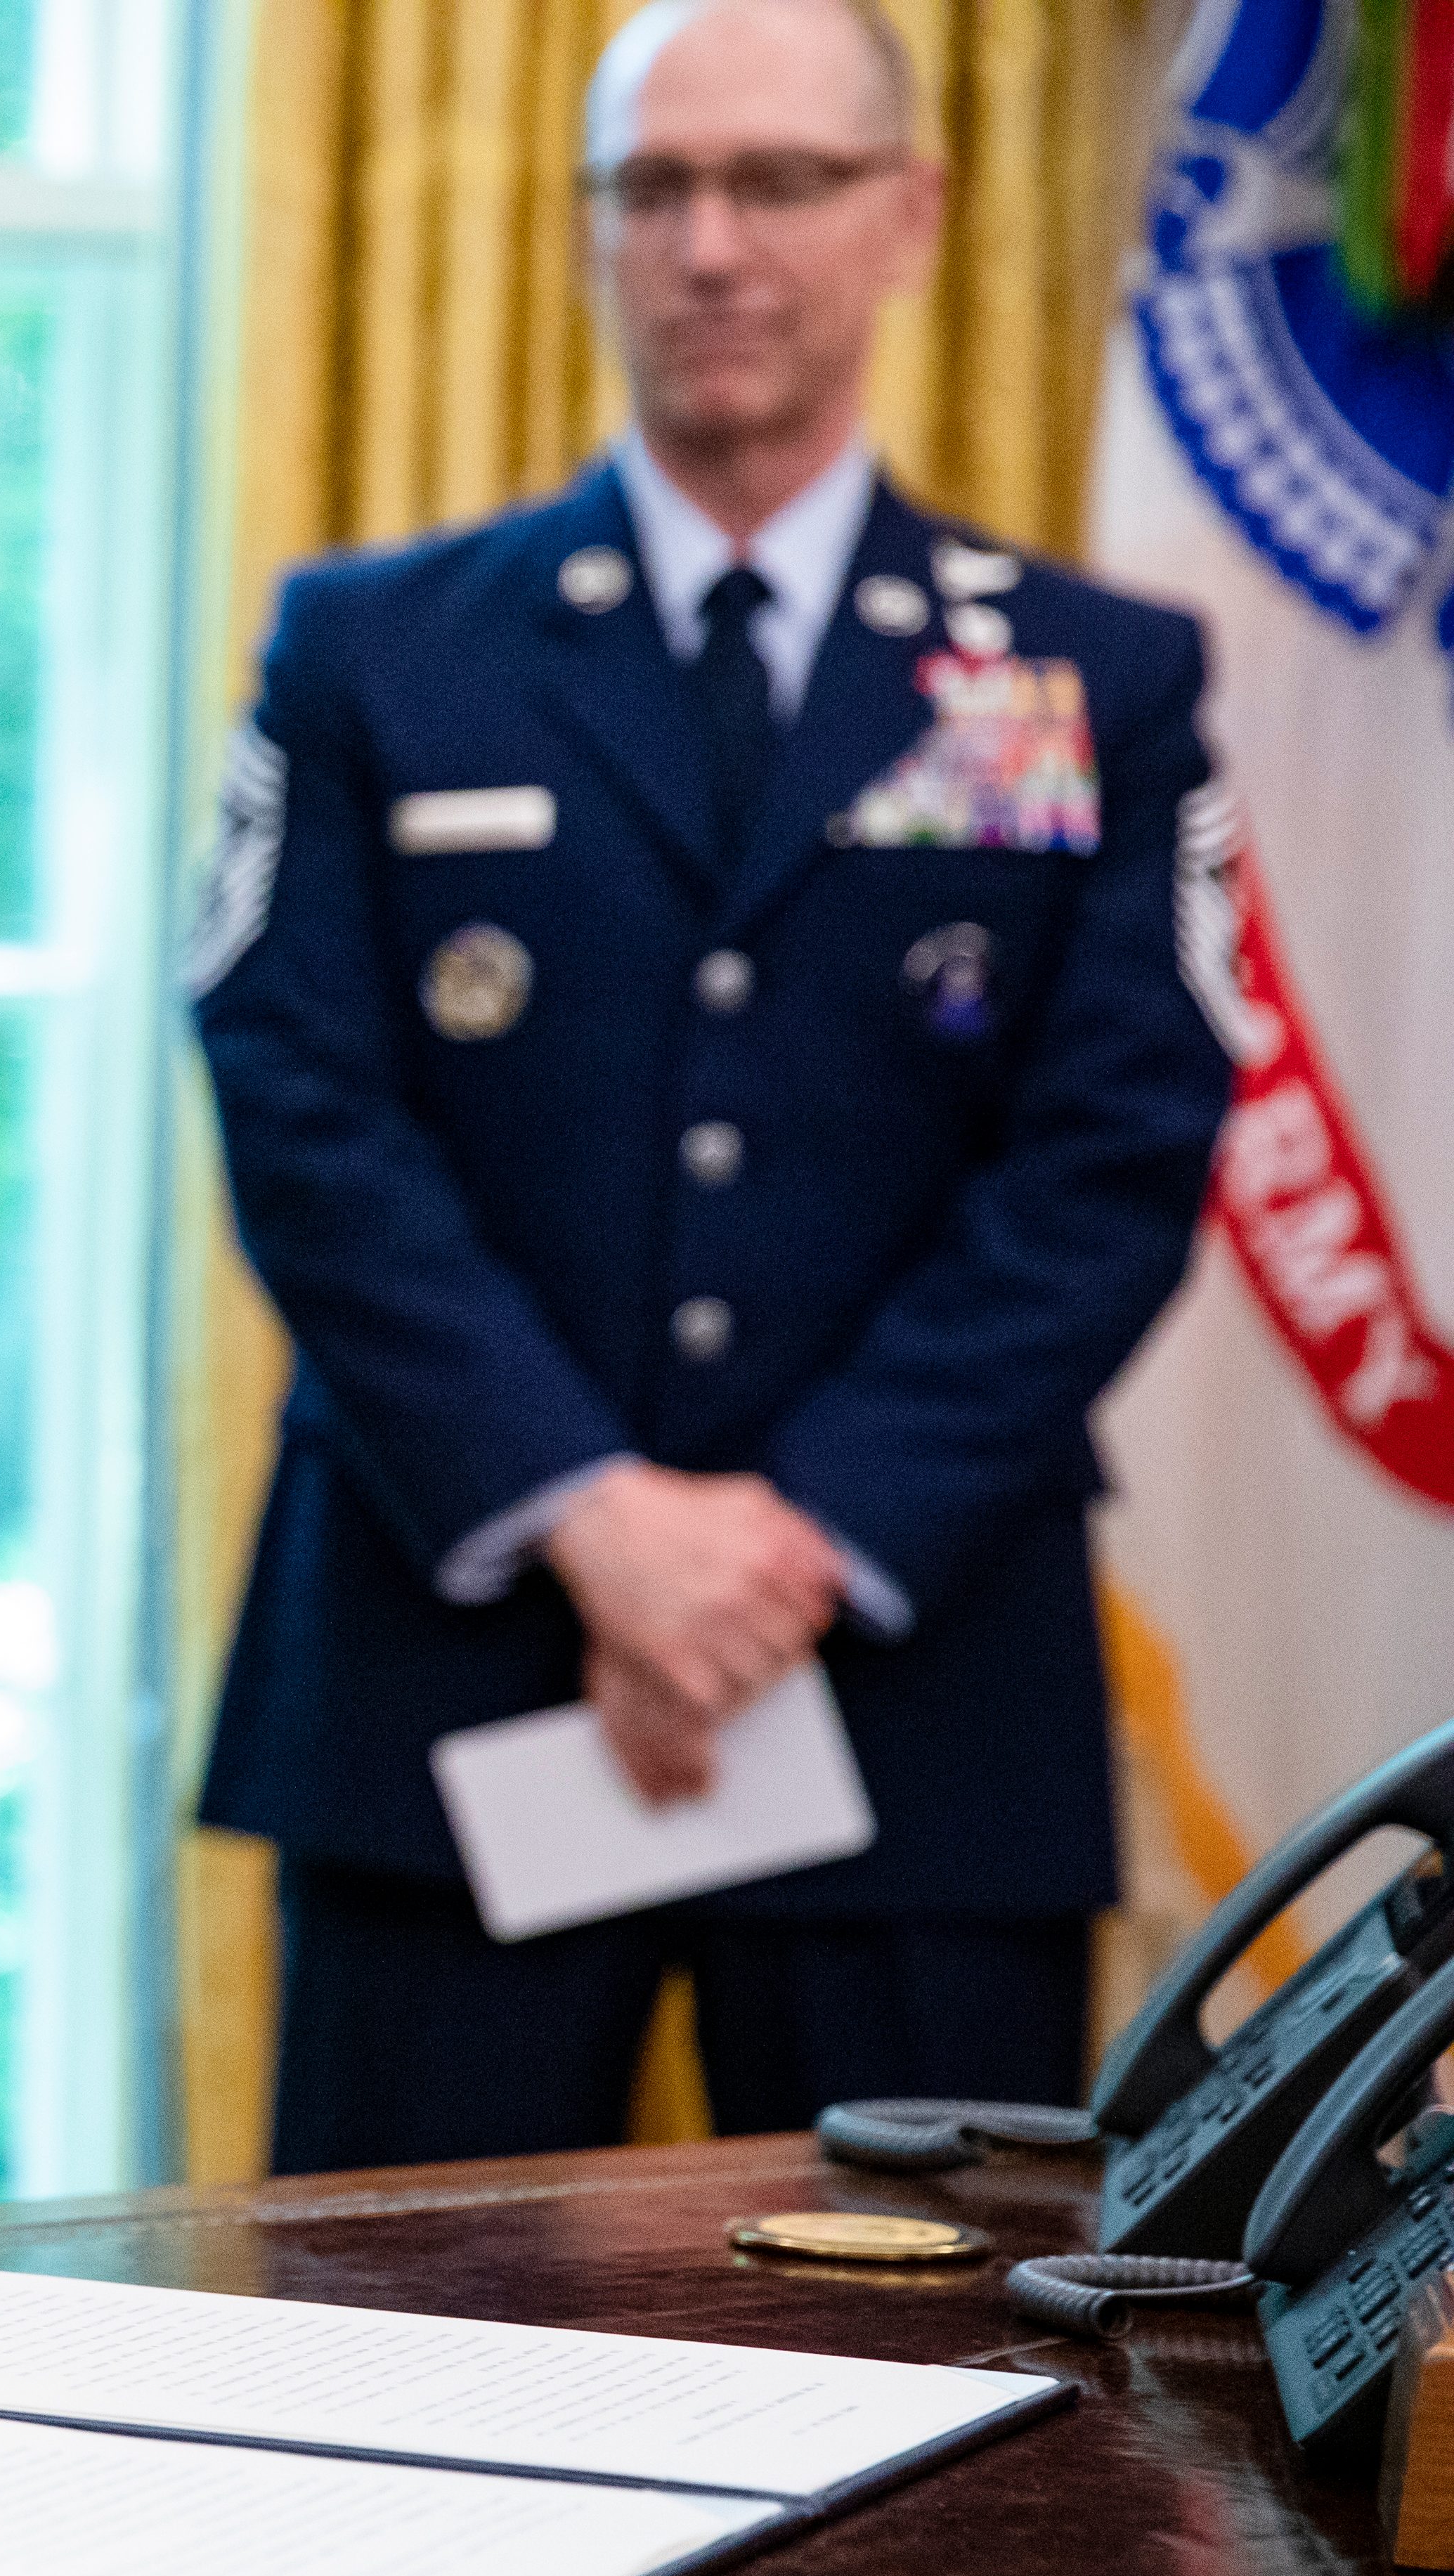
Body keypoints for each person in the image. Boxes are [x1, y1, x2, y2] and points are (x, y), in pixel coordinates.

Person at [188, 0, 1233, 2170]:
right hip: (456, 1661)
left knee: (954, 2410)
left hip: (913, 1681)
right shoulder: (379, 650)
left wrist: (795, 1541)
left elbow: (1120, 1142)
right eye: (654, 190)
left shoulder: (1091, 680)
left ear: (910, 216)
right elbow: (301, 1099)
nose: (714, 246)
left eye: (777, 182)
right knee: (396, 2382)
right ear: (587, 233)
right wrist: (594, 1516)